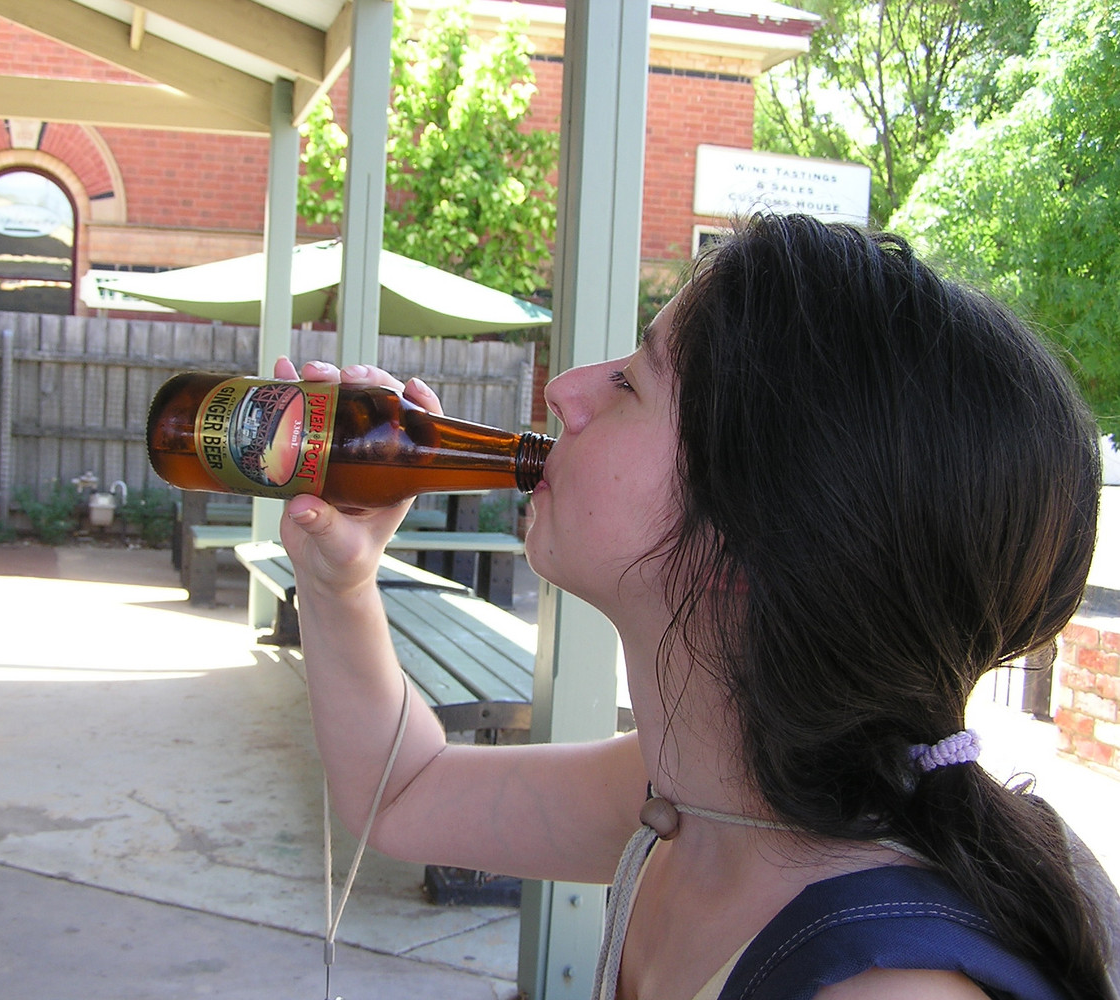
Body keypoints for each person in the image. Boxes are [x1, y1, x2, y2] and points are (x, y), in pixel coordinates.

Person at [274, 214, 1118, 1000]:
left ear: (752, 537)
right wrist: (337, 578)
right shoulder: (696, 799)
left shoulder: (884, 985)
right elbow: (403, 794)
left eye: (631, 382)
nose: (565, 390)